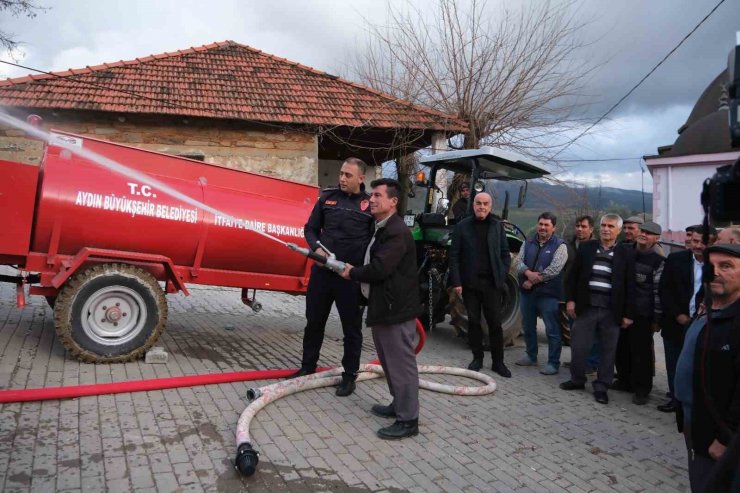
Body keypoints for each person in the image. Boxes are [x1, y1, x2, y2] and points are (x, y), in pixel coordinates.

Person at [341, 178, 421, 440]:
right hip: (384, 308)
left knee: (401, 365)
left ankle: (409, 420)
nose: (371, 200)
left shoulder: (396, 231)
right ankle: (398, 405)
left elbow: (380, 269)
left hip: (395, 310)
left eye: (377, 196)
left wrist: (353, 273)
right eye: (371, 195)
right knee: (389, 363)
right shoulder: (383, 227)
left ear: (393, 201)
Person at [289, 157, 374, 397]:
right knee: (314, 321)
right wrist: (315, 247)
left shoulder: (369, 206)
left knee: (351, 329)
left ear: (361, 178)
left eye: (348, 175)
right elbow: (310, 228)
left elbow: (374, 242)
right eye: (341, 174)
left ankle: (349, 376)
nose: (342, 178)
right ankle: (307, 367)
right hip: (322, 274)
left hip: (349, 278)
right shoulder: (327, 198)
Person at [674, 243, 740, 493]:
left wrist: (726, 439)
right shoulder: (710, 310)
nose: (716, 273)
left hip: (721, 436)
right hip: (696, 420)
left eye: (727, 266)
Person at [560, 213, 636, 405]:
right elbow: (572, 277)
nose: (606, 229)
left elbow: (630, 285)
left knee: (608, 352)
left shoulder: (626, 253)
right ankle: (577, 380)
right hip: (586, 308)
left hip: (611, 311)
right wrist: (570, 300)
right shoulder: (586, 248)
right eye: (603, 225)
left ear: (618, 231)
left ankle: (602, 386)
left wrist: (628, 314)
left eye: (610, 226)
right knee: (579, 347)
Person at [449, 192, 512, 377]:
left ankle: (498, 362)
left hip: (492, 284)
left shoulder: (497, 227)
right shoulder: (462, 226)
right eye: (478, 203)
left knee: (495, 324)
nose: (482, 207)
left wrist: (501, 275)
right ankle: (477, 358)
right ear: (473, 205)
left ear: (490, 206)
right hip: (470, 284)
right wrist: (457, 282)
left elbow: (505, 253)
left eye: (485, 204)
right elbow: (454, 256)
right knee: (474, 322)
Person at [657, 225, 717, 413]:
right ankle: (676, 399)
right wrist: (678, 315)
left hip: (704, 324)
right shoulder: (676, 259)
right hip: (676, 322)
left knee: (698, 365)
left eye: (703, 242)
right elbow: (664, 289)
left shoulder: (718, 265)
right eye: (695, 241)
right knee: (674, 364)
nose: (698, 245)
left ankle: (696, 402)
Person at [613, 221, 665, 405]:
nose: (644, 235)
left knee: (641, 353)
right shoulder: (627, 253)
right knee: (622, 348)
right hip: (623, 309)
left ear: (656, 238)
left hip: (643, 314)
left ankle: (642, 389)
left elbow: (658, 292)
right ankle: (624, 380)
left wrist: (657, 318)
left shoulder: (658, 261)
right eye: (642, 231)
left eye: (649, 233)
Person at [513, 212, 568, 375]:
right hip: (527, 293)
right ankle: (531, 355)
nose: (543, 228)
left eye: (547, 225)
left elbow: (555, 269)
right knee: (528, 326)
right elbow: (517, 261)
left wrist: (532, 280)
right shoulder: (528, 242)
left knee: (552, 329)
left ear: (554, 228)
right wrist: (528, 274)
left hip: (548, 294)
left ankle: (553, 362)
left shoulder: (560, 246)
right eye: (541, 224)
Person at [562, 215, 600, 374]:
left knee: (593, 333)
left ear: (591, 229)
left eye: (583, 226)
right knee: (574, 331)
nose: (579, 229)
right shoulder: (569, 245)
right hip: (571, 294)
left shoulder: (597, 247)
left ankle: (591, 363)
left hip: (590, 296)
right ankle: (577, 361)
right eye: (578, 226)